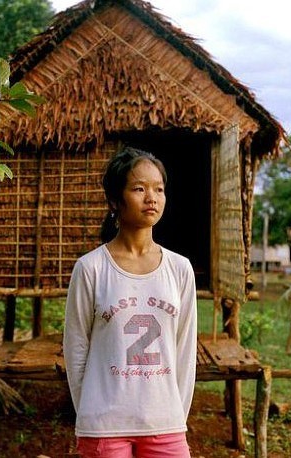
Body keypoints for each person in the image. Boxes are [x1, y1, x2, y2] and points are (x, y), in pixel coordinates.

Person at [63, 147, 197, 458]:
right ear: (114, 201)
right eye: (139, 188)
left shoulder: (179, 269)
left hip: (165, 424)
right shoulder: (91, 268)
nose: (152, 197)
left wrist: (176, 415)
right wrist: (91, 411)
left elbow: (185, 351)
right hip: (104, 426)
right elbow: (76, 348)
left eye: (159, 189)